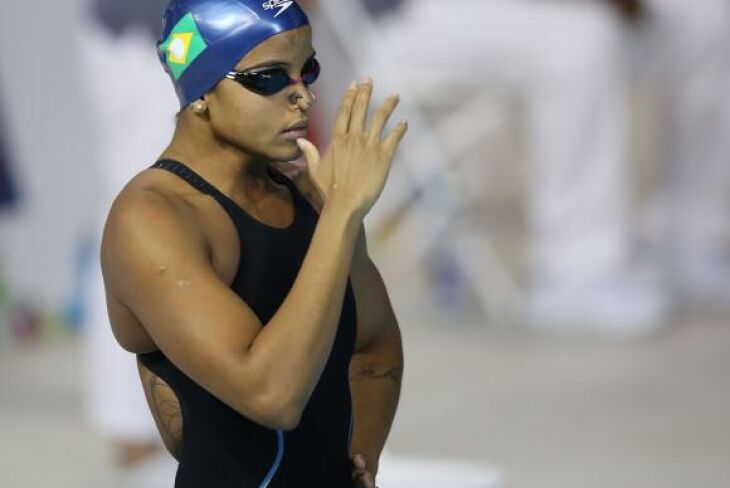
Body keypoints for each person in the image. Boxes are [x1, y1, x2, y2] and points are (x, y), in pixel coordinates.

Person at [100, 0, 408, 487]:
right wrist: (341, 216)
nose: (303, 96)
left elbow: (375, 343)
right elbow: (271, 395)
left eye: (307, 70)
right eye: (269, 78)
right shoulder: (152, 219)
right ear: (202, 89)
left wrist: (361, 459)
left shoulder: (308, 196)